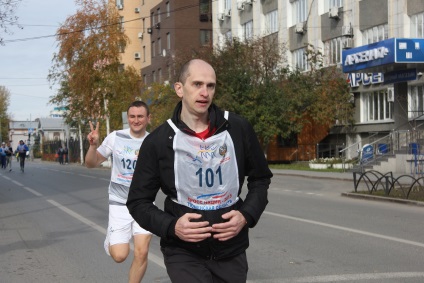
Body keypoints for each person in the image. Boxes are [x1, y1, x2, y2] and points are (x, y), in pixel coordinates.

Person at [127, 59, 273, 283]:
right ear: (179, 88)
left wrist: (246, 216)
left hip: (230, 249)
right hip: (183, 252)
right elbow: (138, 202)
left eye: (210, 85)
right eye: (196, 84)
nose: (204, 92)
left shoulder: (237, 128)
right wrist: (172, 226)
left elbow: (261, 179)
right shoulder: (159, 141)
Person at [85, 101, 152, 283]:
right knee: (120, 255)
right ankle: (112, 239)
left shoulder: (154, 141)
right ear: (127, 118)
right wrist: (92, 146)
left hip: (144, 204)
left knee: (142, 251)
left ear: (148, 118)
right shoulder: (116, 137)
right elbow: (91, 163)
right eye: (132, 116)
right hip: (119, 204)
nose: (136, 120)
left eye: (140, 116)